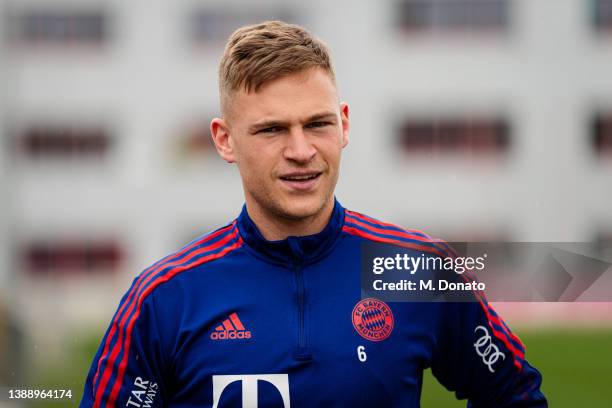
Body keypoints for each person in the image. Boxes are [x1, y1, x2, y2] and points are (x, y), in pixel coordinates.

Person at [80, 21, 546, 407]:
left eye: (317, 124)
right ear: (225, 140)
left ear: (343, 124)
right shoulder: (164, 299)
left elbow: (515, 393)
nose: (301, 151)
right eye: (272, 130)